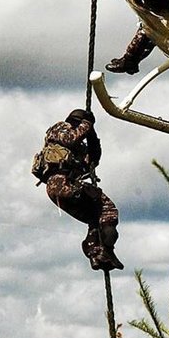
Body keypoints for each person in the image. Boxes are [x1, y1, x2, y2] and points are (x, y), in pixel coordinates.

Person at [33, 108, 123, 272]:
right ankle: (104, 248)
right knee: (107, 208)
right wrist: (87, 124)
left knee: (95, 216)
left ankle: (97, 252)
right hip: (60, 183)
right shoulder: (60, 129)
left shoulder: (76, 150)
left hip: (62, 188)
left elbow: (93, 158)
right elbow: (70, 138)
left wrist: (92, 134)